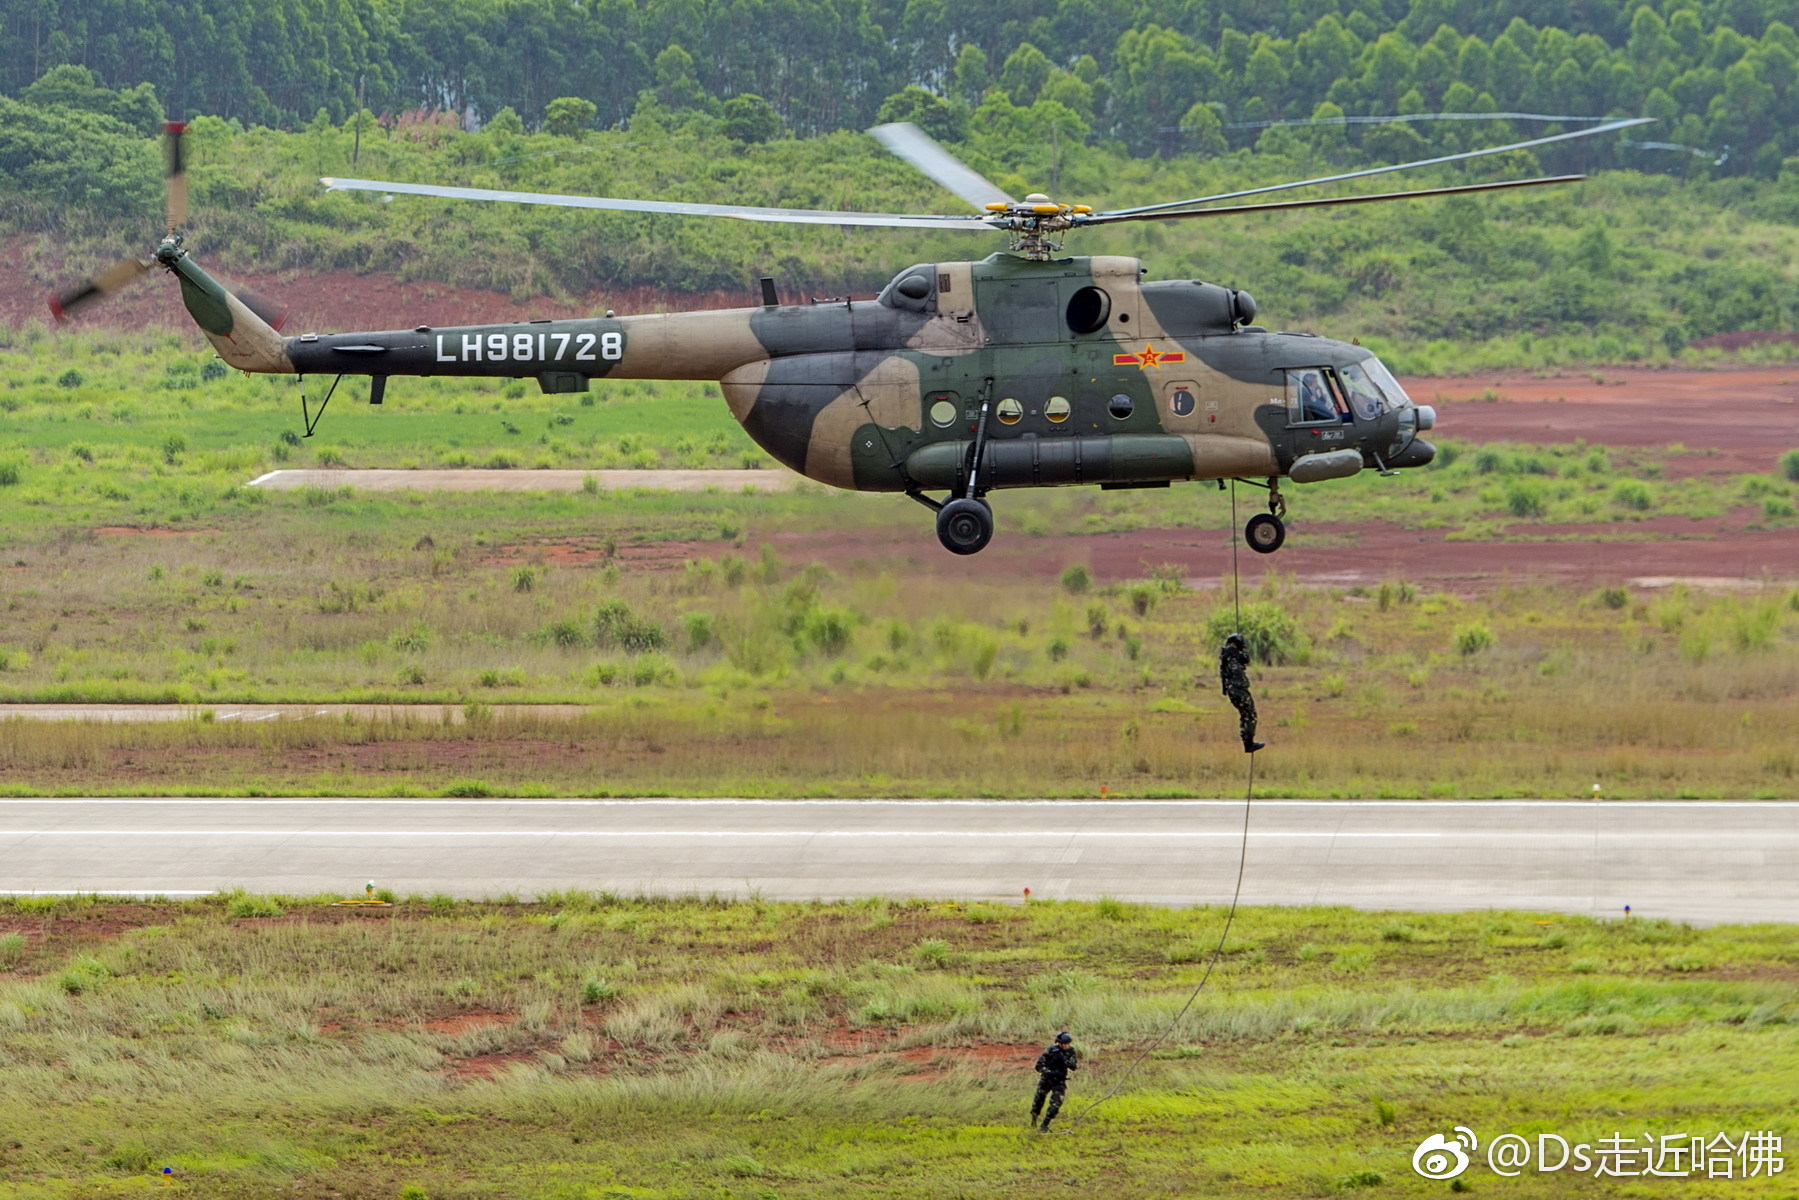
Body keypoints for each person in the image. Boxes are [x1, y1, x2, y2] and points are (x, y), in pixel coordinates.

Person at [1220, 633, 1264, 753]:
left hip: (1233, 691)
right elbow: (1246, 658)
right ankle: (1249, 743)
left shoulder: (1227, 654)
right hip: (1239, 690)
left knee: (1245, 715)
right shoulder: (1232, 651)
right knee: (1250, 714)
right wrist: (1243, 648)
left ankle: (1248, 743)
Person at [1031, 1032, 1078, 1131]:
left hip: (1059, 1081)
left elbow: (1073, 1066)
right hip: (1046, 1080)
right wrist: (1049, 1072)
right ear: (1059, 1043)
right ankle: (1034, 1120)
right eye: (1064, 1044)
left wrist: (1063, 1060)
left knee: (1056, 1103)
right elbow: (1039, 1066)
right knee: (1038, 1100)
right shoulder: (1051, 1050)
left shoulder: (1071, 1051)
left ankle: (1044, 1125)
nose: (1066, 1046)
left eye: (1068, 1044)